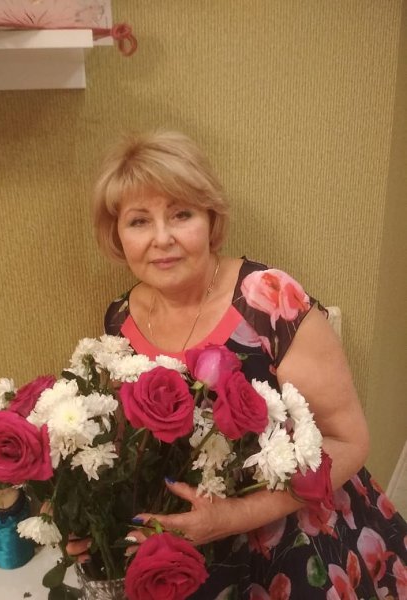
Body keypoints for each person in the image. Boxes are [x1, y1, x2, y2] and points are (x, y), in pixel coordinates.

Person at [68, 130, 407, 598]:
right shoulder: (120, 319)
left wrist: (233, 516)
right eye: (139, 221)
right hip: (191, 550)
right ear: (117, 235)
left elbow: (349, 442)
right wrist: (90, 515)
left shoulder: (268, 300)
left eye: (181, 214)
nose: (162, 239)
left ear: (211, 219)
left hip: (297, 534)